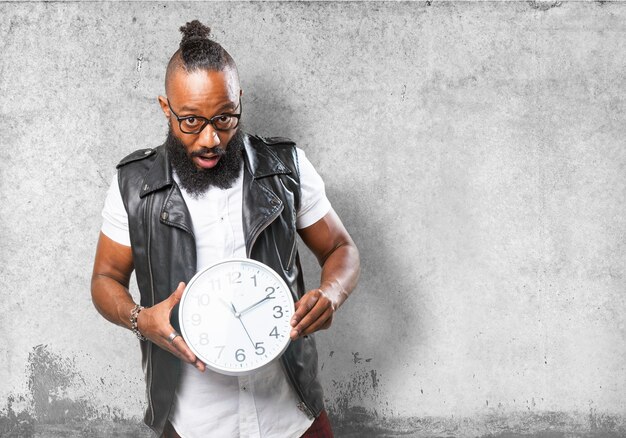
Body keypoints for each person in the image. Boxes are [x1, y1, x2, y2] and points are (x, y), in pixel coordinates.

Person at [91, 20, 360, 438]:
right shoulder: (135, 186)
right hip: (193, 421)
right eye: (192, 122)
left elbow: (341, 247)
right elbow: (105, 278)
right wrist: (141, 319)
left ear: (239, 101)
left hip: (291, 414)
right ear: (166, 109)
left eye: (225, 117)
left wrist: (332, 294)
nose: (211, 138)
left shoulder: (285, 167)